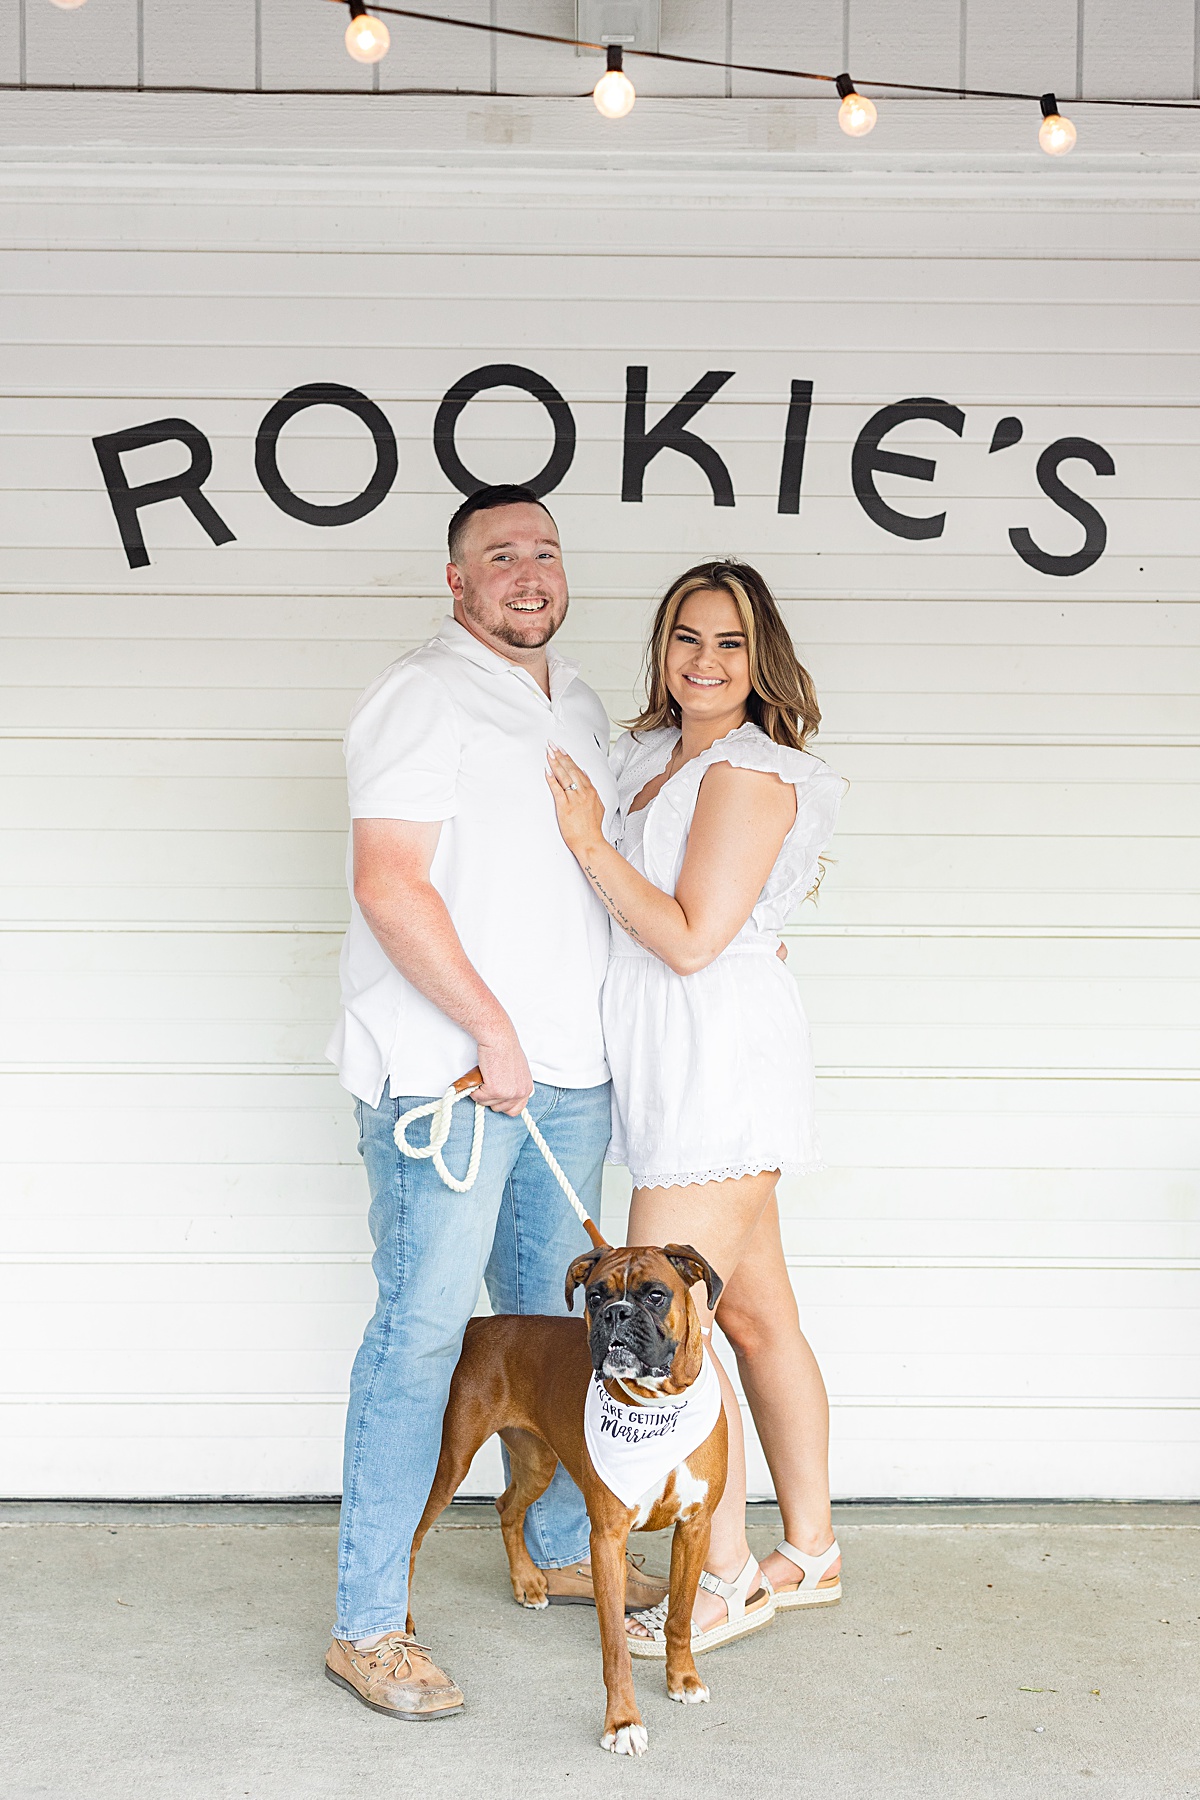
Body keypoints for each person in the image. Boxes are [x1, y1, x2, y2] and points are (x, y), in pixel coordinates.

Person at [323, 483, 667, 1722]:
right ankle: (368, 1625)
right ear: (456, 583)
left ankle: (567, 1550)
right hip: (456, 1080)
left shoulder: (570, 698)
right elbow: (389, 881)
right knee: (422, 1342)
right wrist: (490, 1027)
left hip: (568, 1080)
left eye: (546, 552)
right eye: (499, 555)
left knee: (551, 1336)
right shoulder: (420, 694)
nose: (529, 572)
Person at [545, 559, 845, 1656]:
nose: (704, 661)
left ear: (758, 656)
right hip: (673, 1055)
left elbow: (685, 938)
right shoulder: (651, 758)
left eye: (727, 642)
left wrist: (586, 843)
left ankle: (724, 1573)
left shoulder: (749, 773)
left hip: (717, 1054)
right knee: (758, 1316)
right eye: (685, 637)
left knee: (676, 1323)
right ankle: (808, 1549)